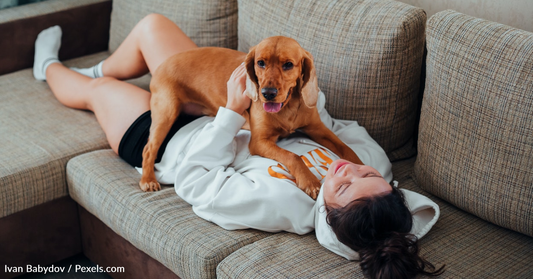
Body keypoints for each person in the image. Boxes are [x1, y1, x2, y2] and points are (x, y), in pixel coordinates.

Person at [33, 14, 444, 279]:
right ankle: (101, 64)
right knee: (152, 26)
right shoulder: (375, 164)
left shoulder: (283, 204)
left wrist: (231, 113)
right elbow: (335, 126)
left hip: (180, 141)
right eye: (366, 175)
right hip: (225, 97)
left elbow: (196, 182)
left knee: (100, 91)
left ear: (328, 211)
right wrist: (301, 96)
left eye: (343, 186)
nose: (347, 170)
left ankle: (49, 66)